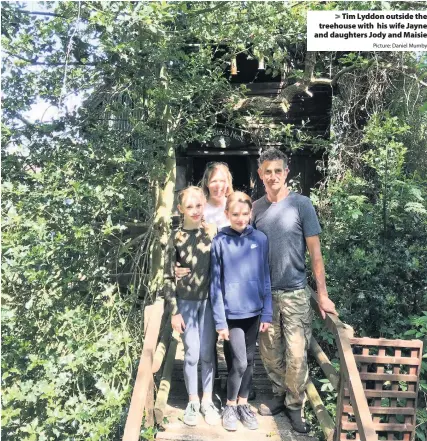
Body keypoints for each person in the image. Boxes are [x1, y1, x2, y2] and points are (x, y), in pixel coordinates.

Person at [252, 148, 338, 433]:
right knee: (270, 353)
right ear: (260, 174)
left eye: (278, 170)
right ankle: (279, 395)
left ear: (286, 172)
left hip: (296, 293)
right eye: (268, 171)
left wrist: (322, 294)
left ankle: (294, 404)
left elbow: (316, 254)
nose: (273, 176)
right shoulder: (255, 209)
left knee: (298, 354)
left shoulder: (302, 205)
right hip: (265, 296)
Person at [175, 163, 257, 400]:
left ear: (229, 181)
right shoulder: (201, 209)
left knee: (234, 334)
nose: (218, 185)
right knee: (208, 340)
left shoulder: (237, 204)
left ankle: (236, 381)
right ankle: (213, 383)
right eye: (213, 180)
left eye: (222, 180)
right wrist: (175, 267)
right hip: (205, 285)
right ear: (206, 183)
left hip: (234, 283)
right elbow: (182, 245)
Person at [210, 192, 273, 431]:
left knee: (250, 361)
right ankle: (229, 405)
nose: (240, 218)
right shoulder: (220, 241)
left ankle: (243, 404)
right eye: (235, 214)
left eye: (245, 214)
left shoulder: (260, 239)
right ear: (227, 214)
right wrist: (220, 321)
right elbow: (215, 284)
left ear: (251, 214)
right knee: (239, 362)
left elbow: (265, 277)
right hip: (231, 314)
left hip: (254, 312)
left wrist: (267, 313)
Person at [163, 186, 220, 426]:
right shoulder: (175, 238)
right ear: (181, 209)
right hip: (186, 302)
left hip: (209, 302)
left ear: (204, 204)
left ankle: (207, 400)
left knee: (208, 353)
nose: (195, 211)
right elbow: (166, 277)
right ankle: (192, 401)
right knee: (192, 354)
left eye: (199, 205)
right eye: (189, 207)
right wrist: (174, 310)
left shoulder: (212, 233)